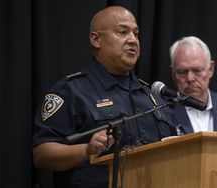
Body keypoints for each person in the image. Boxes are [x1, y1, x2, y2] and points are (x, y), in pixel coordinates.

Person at [32, 6, 177, 188]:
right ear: (96, 39)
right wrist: (87, 150)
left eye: (136, 33)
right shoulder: (71, 91)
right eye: (122, 32)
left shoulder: (151, 95)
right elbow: (42, 154)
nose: (132, 40)